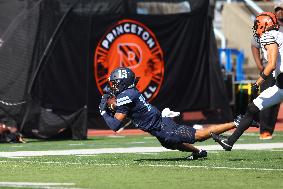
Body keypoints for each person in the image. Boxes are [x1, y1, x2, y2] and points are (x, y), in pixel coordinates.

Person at [99, 67, 258, 160]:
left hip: (161, 125)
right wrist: (111, 106)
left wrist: (103, 110)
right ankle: (199, 153)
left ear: (123, 82)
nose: (113, 86)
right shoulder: (128, 94)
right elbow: (122, 109)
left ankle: (237, 122)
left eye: (115, 82)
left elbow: (115, 125)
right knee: (170, 143)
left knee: (200, 135)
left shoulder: (126, 95)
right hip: (158, 124)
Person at [211, 12, 283, 151]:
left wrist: (257, 83)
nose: (256, 27)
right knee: (252, 108)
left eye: (258, 24)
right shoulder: (278, 35)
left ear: (265, 24)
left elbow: (272, 64)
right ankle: (229, 142)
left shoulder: (269, 35)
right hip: (280, 85)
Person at [250, 3, 283, 140]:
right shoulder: (266, 24)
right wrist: (259, 66)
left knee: (275, 102)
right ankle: (263, 129)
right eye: (278, 9)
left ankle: (269, 130)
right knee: (264, 99)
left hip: (280, 71)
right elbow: (254, 45)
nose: (280, 12)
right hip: (269, 68)